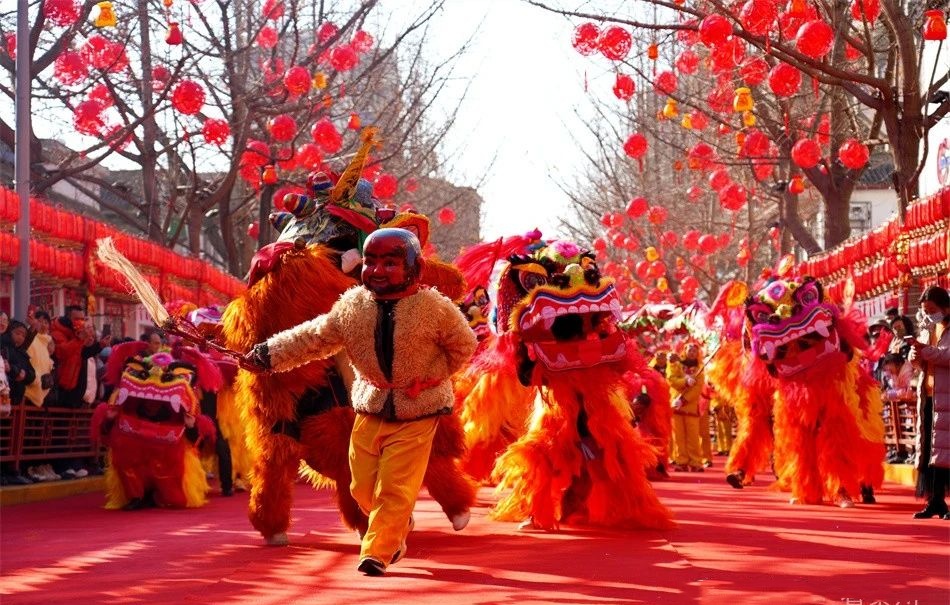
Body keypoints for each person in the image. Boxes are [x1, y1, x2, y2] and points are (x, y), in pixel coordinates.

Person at [244, 228, 476, 576]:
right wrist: (267, 354)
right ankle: (395, 526)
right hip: (370, 407)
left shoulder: (435, 307)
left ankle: (378, 552)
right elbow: (313, 336)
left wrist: (430, 378)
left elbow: (464, 346)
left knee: (395, 485)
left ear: (413, 267)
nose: (378, 270)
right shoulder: (352, 306)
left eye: (390, 263)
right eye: (371, 262)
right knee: (360, 487)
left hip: (418, 411)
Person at [907, 286, 950, 520]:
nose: (929, 315)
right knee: (932, 451)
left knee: (946, 450)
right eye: (925, 311)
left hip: (947, 397)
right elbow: (921, 359)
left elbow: (946, 355)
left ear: (946, 308)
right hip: (929, 395)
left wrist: (927, 352)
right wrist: (915, 356)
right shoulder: (928, 327)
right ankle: (935, 500)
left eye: (932, 310)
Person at [667, 341, 705, 472]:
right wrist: (685, 381)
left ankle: (695, 462)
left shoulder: (700, 368)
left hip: (691, 407)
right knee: (678, 437)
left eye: (694, 351)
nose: (692, 353)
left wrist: (684, 400)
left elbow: (698, 388)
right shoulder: (676, 364)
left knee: (693, 437)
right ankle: (681, 461)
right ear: (685, 351)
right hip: (676, 406)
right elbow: (671, 379)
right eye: (690, 350)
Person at [24, 310, 55, 408]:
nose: (43, 325)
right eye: (40, 321)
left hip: (42, 391)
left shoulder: (47, 343)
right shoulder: (30, 338)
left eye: (46, 322)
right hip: (28, 390)